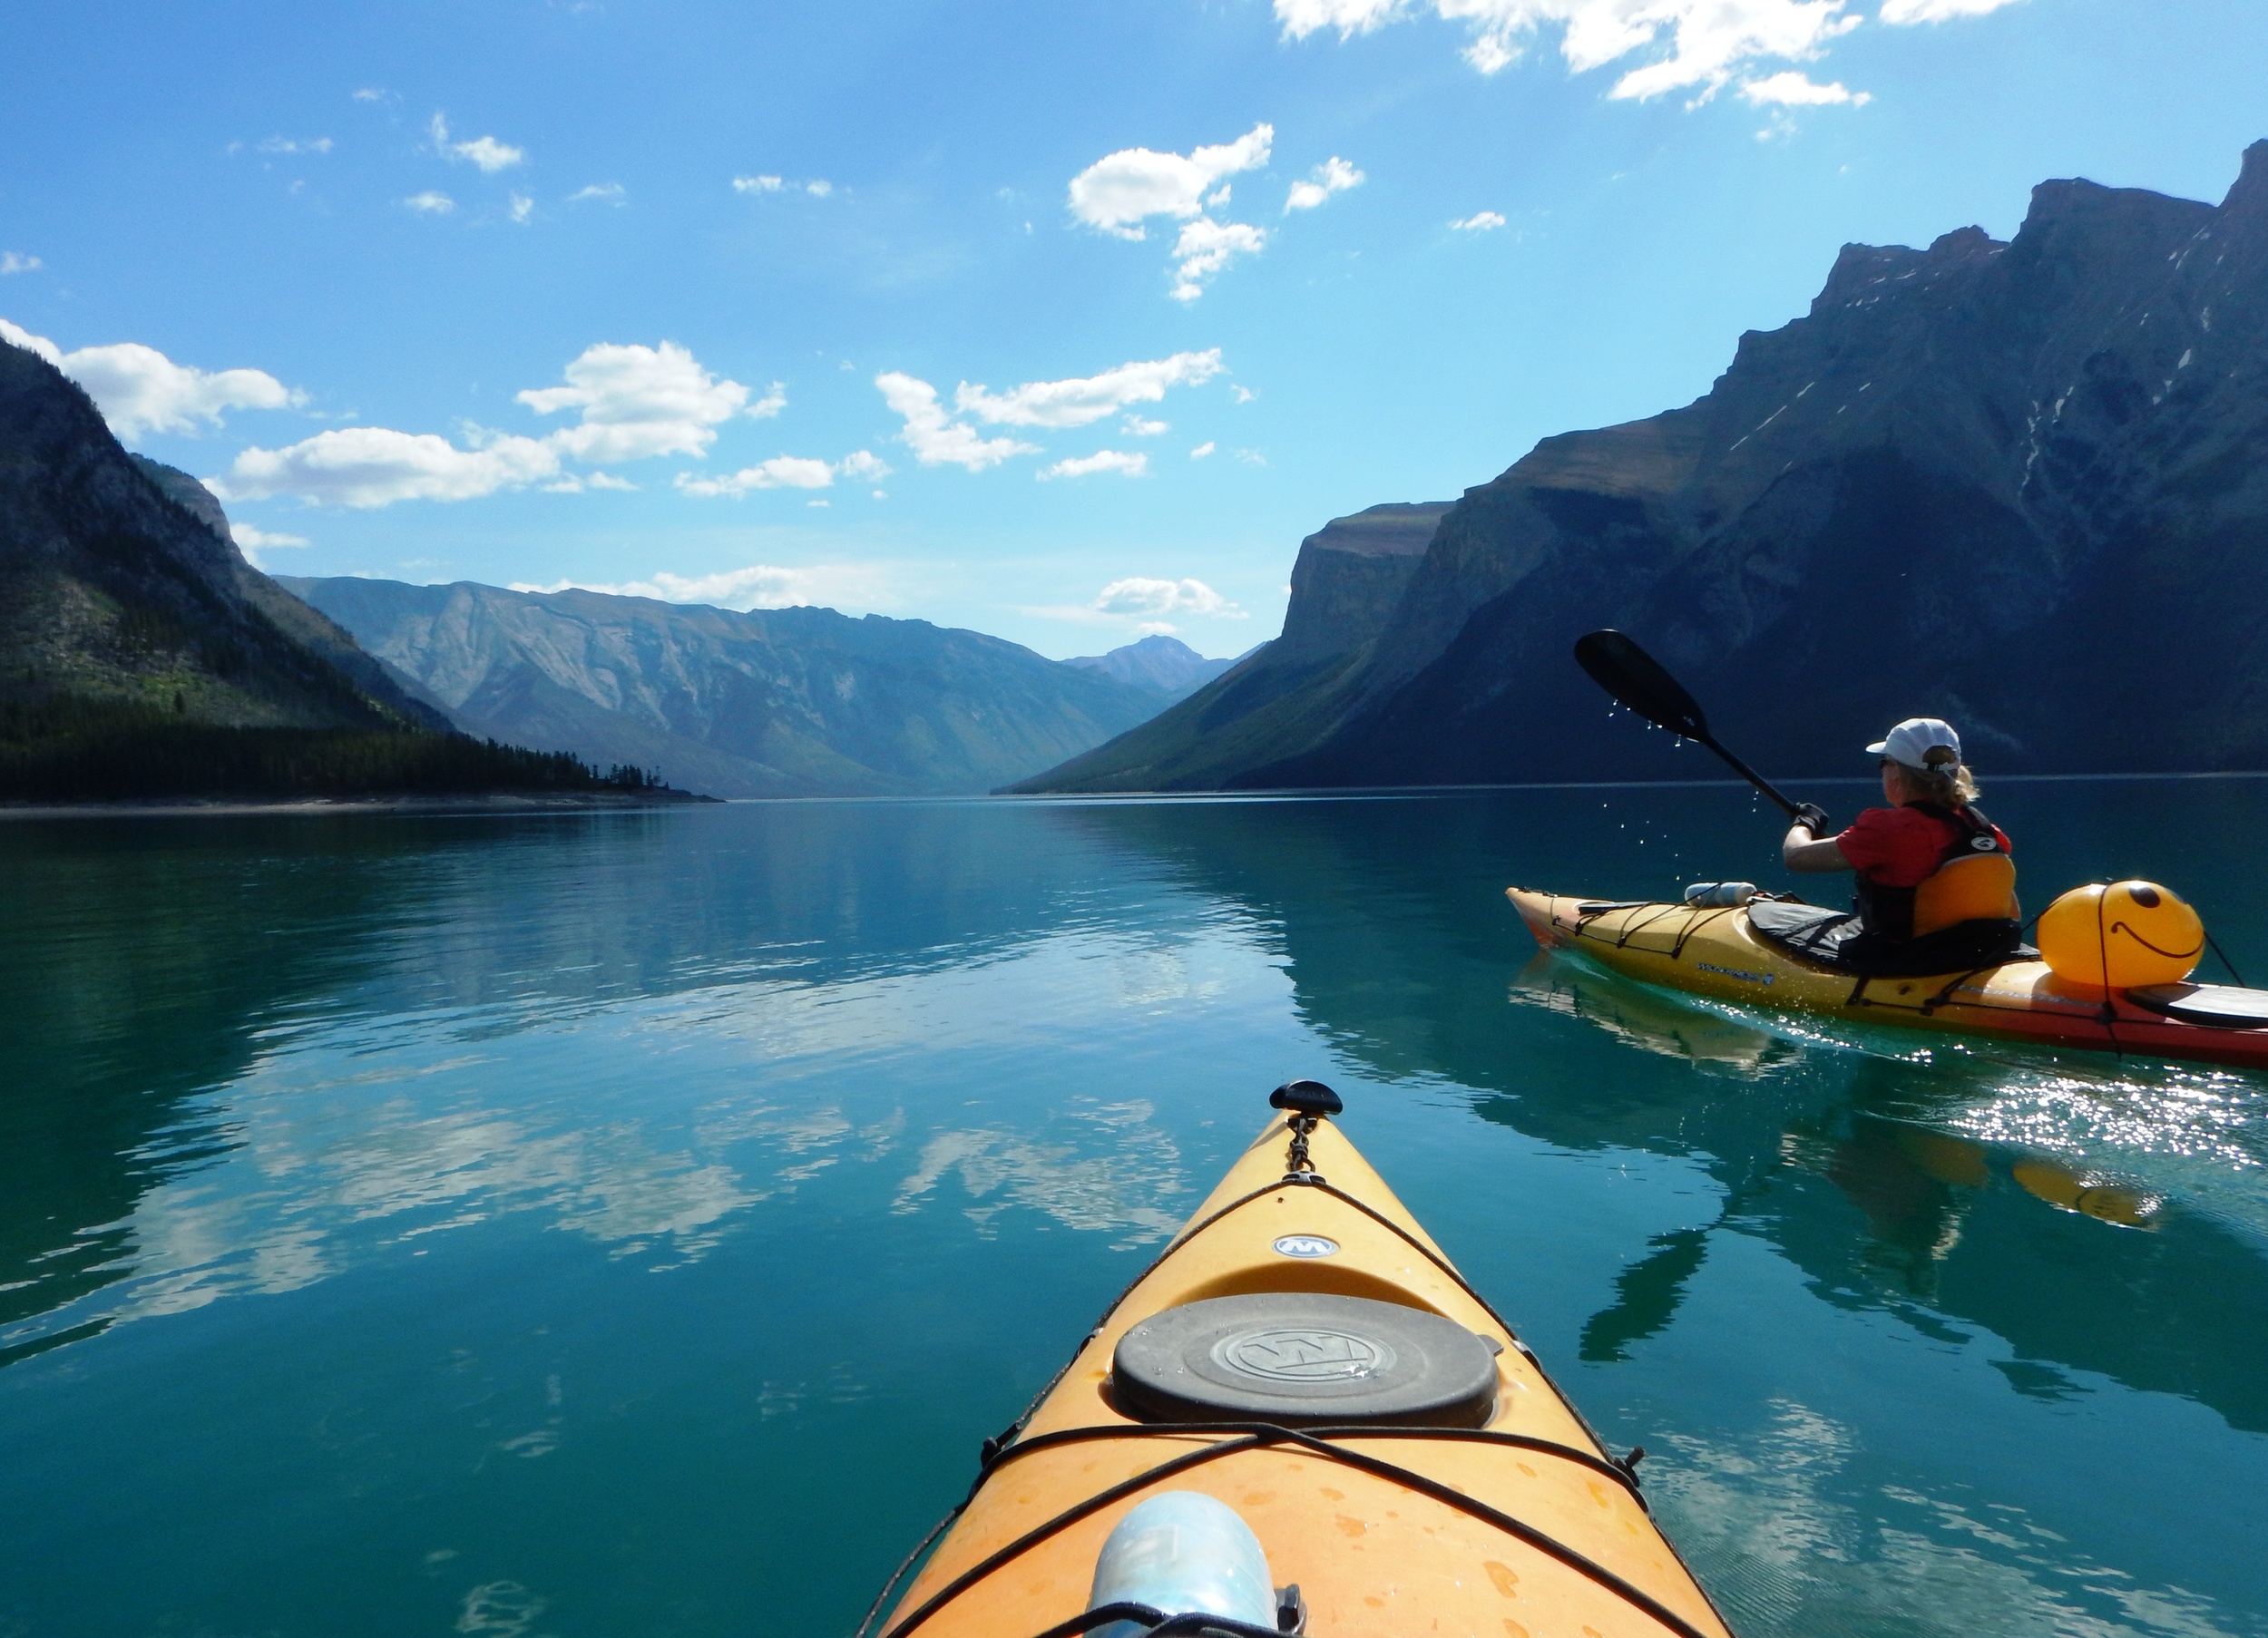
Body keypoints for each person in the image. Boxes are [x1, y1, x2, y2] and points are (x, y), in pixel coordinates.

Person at [1780, 717, 2019, 956]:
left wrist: (1805, 822)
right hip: (1981, 952)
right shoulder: (1985, 830)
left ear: (1896, 771)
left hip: (1908, 959)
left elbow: (1796, 857)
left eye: (1884, 762)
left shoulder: (1888, 827)